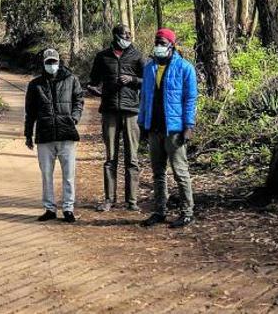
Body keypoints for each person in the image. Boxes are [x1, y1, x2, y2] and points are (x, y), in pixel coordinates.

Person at [137, 28, 198, 229]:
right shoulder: (149, 68)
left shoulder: (185, 68)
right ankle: (160, 211)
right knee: (158, 173)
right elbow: (144, 98)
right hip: (154, 128)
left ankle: (187, 212)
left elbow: (190, 99)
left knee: (180, 172)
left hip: (174, 130)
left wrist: (188, 126)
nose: (158, 46)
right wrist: (142, 124)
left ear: (171, 44)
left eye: (162, 42)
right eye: (157, 42)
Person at [88, 25, 147, 212]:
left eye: (129, 35)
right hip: (109, 110)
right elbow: (93, 81)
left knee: (132, 158)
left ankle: (132, 201)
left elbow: (148, 82)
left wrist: (133, 80)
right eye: (124, 35)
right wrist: (94, 90)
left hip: (131, 111)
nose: (127, 37)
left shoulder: (138, 56)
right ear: (115, 36)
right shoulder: (102, 57)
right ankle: (108, 199)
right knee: (110, 157)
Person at [24, 48, 85, 223]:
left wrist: (74, 118)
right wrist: (28, 134)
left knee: (69, 174)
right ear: (43, 63)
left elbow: (79, 100)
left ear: (59, 61)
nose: (52, 65)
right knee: (46, 174)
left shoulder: (71, 79)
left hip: (67, 133)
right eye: (48, 62)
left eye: (54, 61)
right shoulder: (35, 85)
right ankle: (49, 208)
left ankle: (68, 208)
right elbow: (30, 112)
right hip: (45, 135)